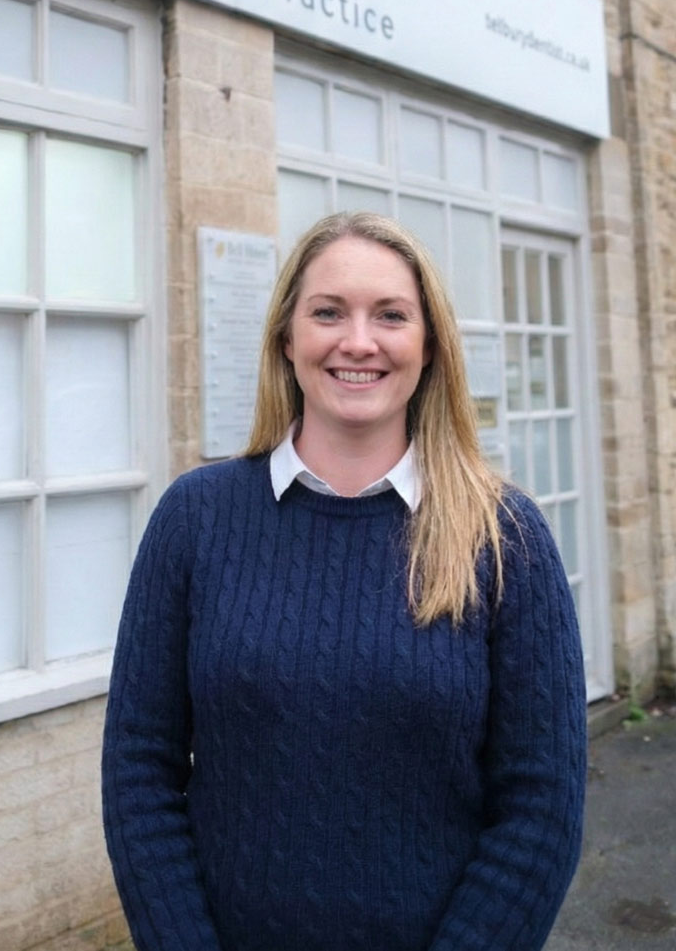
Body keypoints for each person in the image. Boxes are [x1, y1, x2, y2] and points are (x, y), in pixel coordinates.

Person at [102, 211, 586, 951]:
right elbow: (140, 767)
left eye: (390, 315)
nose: (358, 340)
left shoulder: (505, 537)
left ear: (427, 348)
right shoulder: (194, 519)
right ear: (286, 339)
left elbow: (542, 805)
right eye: (328, 311)